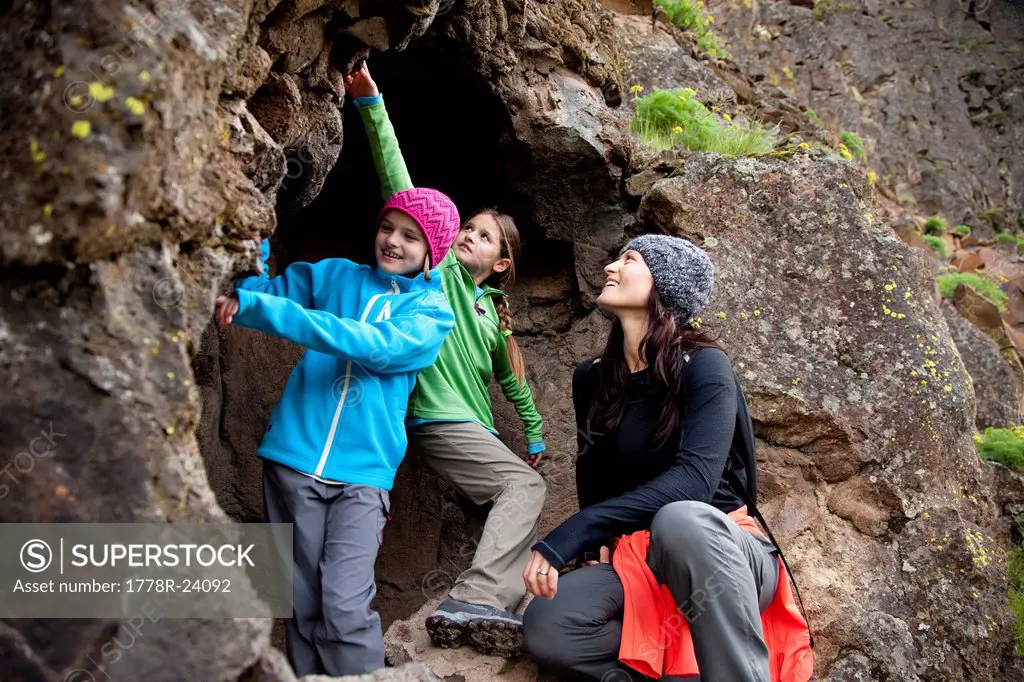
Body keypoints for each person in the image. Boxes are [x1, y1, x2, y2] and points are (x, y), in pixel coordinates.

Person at [521, 235, 812, 681]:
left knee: (681, 519)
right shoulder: (593, 377)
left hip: (723, 552)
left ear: (664, 286)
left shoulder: (705, 365)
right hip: (641, 557)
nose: (610, 268)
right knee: (549, 623)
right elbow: (593, 474)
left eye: (629, 259)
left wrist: (572, 533)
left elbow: (695, 483)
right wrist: (592, 549)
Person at [213, 179, 461, 676]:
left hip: (363, 477)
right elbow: (258, 292)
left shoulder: (431, 314)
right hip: (292, 460)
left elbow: (372, 344)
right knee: (301, 603)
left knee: (345, 606)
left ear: (433, 252)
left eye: (411, 237)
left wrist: (265, 309)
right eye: (387, 228)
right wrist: (256, 229)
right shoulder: (334, 277)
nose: (393, 241)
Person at [345, 63, 547, 658]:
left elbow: (513, 384)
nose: (470, 237)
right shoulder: (441, 281)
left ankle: (483, 611)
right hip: (439, 421)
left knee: (515, 505)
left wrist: (533, 432)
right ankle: (478, 597)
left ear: (503, 262)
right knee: (524, 488)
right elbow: (399, 183)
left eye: (486, 237)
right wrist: (372, 106)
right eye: (469, 229)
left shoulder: (492, 314)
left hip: (475, 429)